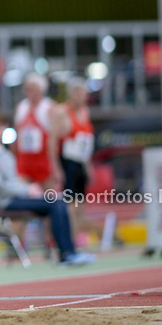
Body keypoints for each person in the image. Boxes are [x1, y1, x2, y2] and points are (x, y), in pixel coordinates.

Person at [0, 115, 95, 265]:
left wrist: (30, 189)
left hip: (16, 197)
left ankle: (70, 251)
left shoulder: (5, 154)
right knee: (55, 203)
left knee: (58, 201)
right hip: (4, 202)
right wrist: (27, 190)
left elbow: (14, 181)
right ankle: (65, 254)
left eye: (2, 125)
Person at [51, 78, 95, 239]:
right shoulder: (61, 112)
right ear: (71, 93)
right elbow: (52, 140)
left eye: (84, 93)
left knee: (80, 206)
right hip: (67, 162)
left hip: (80, 163)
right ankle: (66, 243)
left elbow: (86, 141)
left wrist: (89, 166)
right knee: (70, 205)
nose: (82, 96)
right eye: (78, 92)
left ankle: (75, 242)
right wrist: (55, 168)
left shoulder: (85, 111)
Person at [12, 73, 59, 187]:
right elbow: (15, 135)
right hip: (25, 162)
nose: (29, 93)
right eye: (27, 89)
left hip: (43, 161)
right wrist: (13, 157)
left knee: (48, 197)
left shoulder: (49, 107)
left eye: (32, 89)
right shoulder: (21, 107)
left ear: (41, 90)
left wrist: (55, 165)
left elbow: (53, 139)